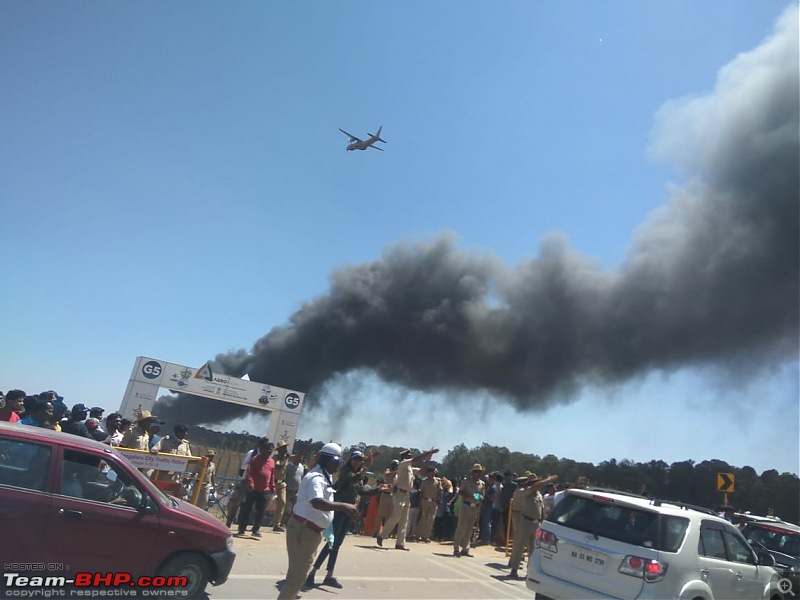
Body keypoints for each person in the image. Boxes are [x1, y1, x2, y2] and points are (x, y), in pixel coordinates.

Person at [277, 443, 357, 600]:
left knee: (298, 574)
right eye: (337, 459)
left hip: (309, 531)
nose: (339, 463)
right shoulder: (316, 478)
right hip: (304, 530)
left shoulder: (324, 476)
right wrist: (343, 506)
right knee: (297, 578)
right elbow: (317, 502)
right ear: (329, 460)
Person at [306, 448, 377, 589]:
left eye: (359, 460)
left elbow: (361, 490)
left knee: (337, 544)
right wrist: (366, 468)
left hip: (348, 512)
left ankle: (329, 575)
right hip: (339, 511)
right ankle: (312, 573)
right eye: (355, 459)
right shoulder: (346, 472)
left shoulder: (356, 474)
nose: (357, 462)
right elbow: (353, 479)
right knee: (332, 543)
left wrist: (378, 490)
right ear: (350, 460)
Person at [377, 447, 438, 551]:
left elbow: (422, 470)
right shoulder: (403, 464)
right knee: (396, 517)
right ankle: (382, 535)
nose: (410, 457)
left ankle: (400, 543)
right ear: (404, 458)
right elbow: (416, 459)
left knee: (404, 520)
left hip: (406, 495)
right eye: (408, 456)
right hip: (400, 493)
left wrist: (428, 458)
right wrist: (428, 452)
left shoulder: (410, 468)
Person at [508, 473, 557, 579]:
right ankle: (514, 569)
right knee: (519, 546)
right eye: (535, 483)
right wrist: (548, 479)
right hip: (526, 521)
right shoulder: (525, 492)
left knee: (533, 549)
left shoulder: (538, 495)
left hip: (536, 523)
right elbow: (534, 487)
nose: (538, 485)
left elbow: (541, 508)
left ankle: (530, 571)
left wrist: (543, 519)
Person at [236, 439, 275, 538]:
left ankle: (256, 530)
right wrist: (251, 484)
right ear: (263, 450)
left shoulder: (271, 462)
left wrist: (273, 488)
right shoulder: (255, 459)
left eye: (271, 450)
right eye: (267, 449)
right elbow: (249, 473)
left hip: (264, 491)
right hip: (253, 489)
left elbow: (271, 476)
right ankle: (241, 529)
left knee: (260, 511)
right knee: (246, 509)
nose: (269, 451)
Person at [453, 463, 486, 557]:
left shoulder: (482, 484)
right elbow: (461, 492)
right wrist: (472, 496)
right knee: (461, 527)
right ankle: (456, 548)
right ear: (473, 472)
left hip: (475, 507)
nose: (478, 474)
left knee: (469, 529)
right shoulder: (466, 481)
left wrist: (476, 497)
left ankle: (465, 549)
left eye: (480, 472)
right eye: (476, 472)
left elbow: (482, 495)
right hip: (466, 505)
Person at [280, 453, 306, 528]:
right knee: (284, 507)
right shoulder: (289, 465)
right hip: (288, 489)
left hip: (296, 491)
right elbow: (285, 475)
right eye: (299, 457)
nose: (301, 459)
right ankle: (280, 522)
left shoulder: (302, 467)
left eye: (302, 457)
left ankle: (288, 523)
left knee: (295, 508)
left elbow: (301, 477)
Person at [418, 467, 441, 543]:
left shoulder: (437, 481)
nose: (432, 473)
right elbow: (421, 492)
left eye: (434, 472)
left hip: (434, 502)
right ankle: (420, 535)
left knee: (431, 519)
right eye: (431, 472)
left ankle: (426, 536)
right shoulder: (424, 481)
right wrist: (420, 502)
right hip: (425, 500)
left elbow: (439, 492)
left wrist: (439, 502)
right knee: (424, 518)